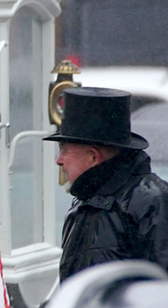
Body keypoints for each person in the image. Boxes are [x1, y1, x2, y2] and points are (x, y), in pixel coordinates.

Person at [43, 87, 168, 281]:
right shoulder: (84, 206)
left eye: (65, 151)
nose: (59, 160)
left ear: (93, 157)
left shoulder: (153, 201)